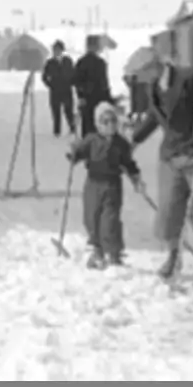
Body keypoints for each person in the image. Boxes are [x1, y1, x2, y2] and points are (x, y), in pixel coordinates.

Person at [125, 46, 193, 285]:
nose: (138, 80)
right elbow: (155, 117)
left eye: (139, 74)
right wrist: (133, 141)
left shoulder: (190, 77)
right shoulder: (153, 87)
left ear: (151, 67)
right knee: (169, 210)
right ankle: (173, 257)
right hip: (170, 156)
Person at [67, 102, 146, 269]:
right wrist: (73, 152)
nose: (110, 125)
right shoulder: (91, 140)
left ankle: (114, 252)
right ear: (97, 124)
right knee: (91, 218)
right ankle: (97, 251)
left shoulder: (121, 143)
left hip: (112, 185)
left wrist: (136, 177)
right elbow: (79, 154)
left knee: (109, 220)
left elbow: (128, 163)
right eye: (105, 121)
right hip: (93, 184)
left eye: (112, 121)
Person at [74, 35, 114, 137]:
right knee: (96, 125)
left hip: (89, 98)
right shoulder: (98, 63)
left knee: (89, 126)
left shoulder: (83, 62)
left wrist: (81, 95)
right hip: (95, 99)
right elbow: (104, 84)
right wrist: (109, 99)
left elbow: (77, 81)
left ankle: (88, 147)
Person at [42, 40, 77, 137]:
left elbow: (74, 73)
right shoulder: (50, 63)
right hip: (55, 91)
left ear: (62, 50)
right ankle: (57, 131)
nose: (56, 51)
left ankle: (72, 129)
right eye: (54, 50)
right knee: (56, 112)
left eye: (58, 50)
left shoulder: (68, 61)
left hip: (66, 90)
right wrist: (51, 84)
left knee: (69, 111)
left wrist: (71, 83)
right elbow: (44, 77)